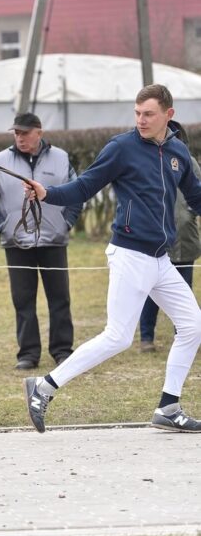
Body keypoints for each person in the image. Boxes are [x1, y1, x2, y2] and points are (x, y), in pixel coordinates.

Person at [23, 84, 201, 433]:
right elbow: (86, 186)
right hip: (130, 254)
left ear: (169, 114)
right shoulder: (122, 148)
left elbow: (196, 195)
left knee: (193, 325)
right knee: (118, 336)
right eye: (137, 113)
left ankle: (169, 406)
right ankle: (43, 387)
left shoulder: (178, 152)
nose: (141, 120)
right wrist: (47, 194)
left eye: (148, 114)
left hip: (160, 260)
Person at [0, 112, 83, 370]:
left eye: (25, 132)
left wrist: (66, 223)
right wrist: (4, 227)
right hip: (16, 244)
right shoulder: (0, 161)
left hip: (54, 242)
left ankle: (62, 351)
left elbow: (76, 194)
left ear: (39, 132)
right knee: (23, 300)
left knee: (60, 298)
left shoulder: (61, 158)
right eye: (16, 133)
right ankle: (28, 354)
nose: (20, 137)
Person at [138, 120, 201, 353]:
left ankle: (183, 334)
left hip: (185, 237)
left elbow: (198, 190)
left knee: (184, 289)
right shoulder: (146, 164)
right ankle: (146, 336)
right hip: (156, 239)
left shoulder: (189, 162)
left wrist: (189, 213)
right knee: (150, 290)